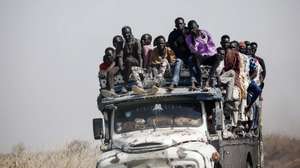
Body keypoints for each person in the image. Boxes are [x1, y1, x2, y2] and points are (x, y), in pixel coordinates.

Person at [185, 20, 222, 89]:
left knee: (218, 57)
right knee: (194, 57)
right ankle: (200, 80)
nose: (193, 30)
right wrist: (194, 39)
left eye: (194, 28)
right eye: (190, 29)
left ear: (198, 27)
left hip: (210, 55)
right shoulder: (188, 38)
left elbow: (207, 43)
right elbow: (194, 50)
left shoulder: (205, 32)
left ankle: (208, 80)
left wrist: (199, 37)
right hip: (200, 57)